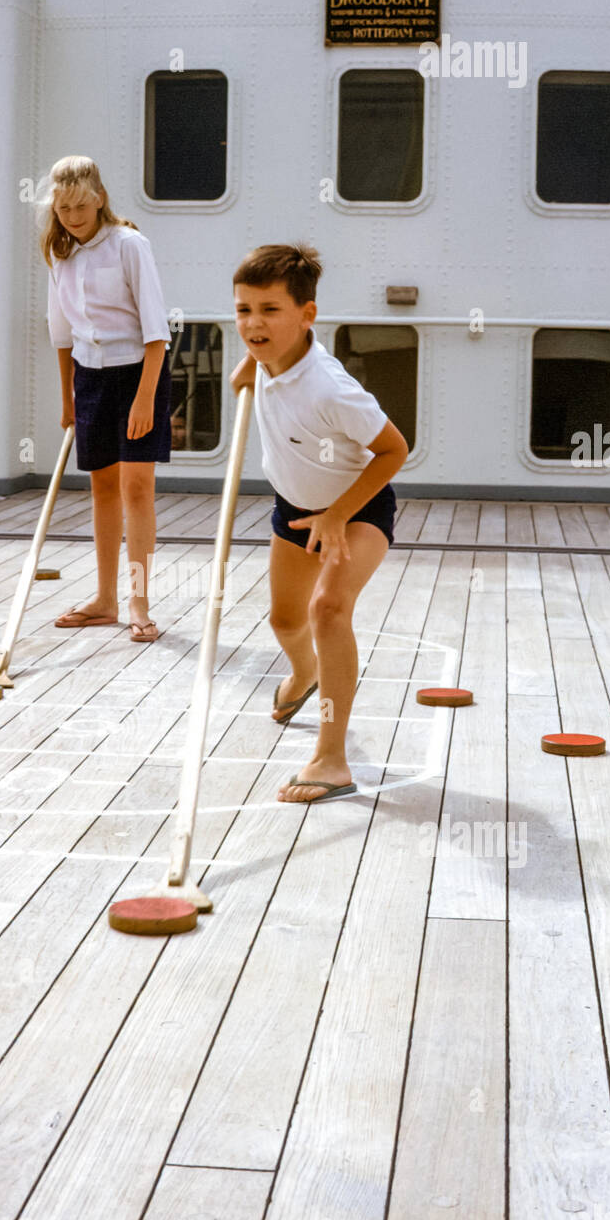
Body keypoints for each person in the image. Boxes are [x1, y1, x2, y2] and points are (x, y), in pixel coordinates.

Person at [231, 243, 409, 804]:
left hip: (354, 510)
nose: (254, 324)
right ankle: (305, 673)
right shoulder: (267, 354)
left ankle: (332, 759)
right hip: (293, 508)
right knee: (285, 622)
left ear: (307, 315)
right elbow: (255, 359)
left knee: (328, 610)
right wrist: (246, 367)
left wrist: (337, 515)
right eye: (243, 310)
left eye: (269, 310)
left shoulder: (330, 387)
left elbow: (394, 450)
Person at [39, 155, 172, 642]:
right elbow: (60, 333)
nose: (73, 216)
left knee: (137, 489)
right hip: (89, 377)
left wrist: (145, 399)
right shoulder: (60, 255)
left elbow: (157, 331)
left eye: (81, 205)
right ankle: (105, 599)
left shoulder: (130, 245)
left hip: (139, 373)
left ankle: (139, 602)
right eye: (63, 208)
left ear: (100, 199)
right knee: (101, 490)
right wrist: (68, 397)